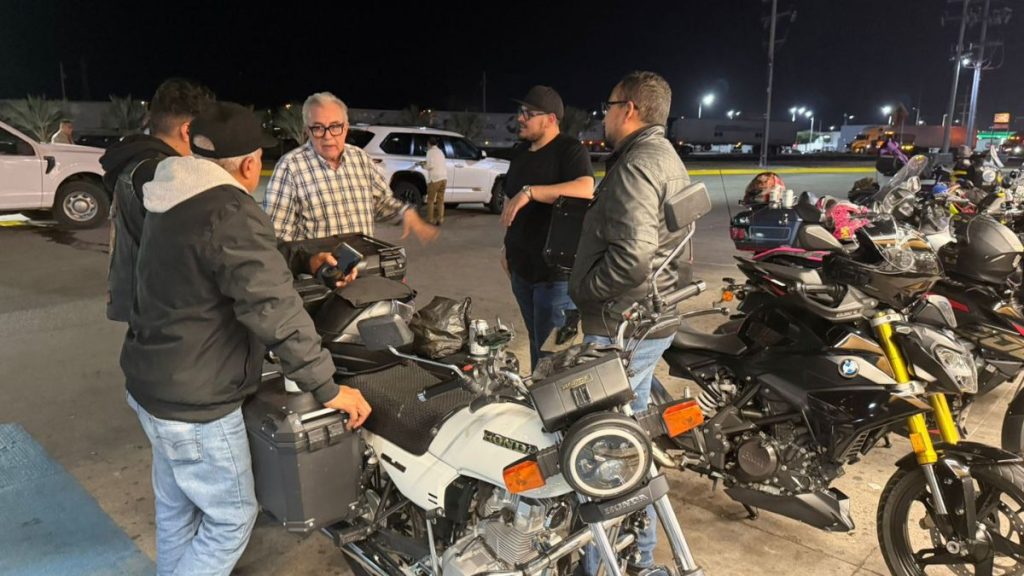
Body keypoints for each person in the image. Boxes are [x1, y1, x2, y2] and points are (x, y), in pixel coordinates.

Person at [121, 102, 372, 575]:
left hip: (150, 385)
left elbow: (225, 253)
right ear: (252, 164)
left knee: (179, 511)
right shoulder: (230, 210)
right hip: (197, 404)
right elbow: (273, 309)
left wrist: (307, 257)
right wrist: (329, 388)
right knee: (231, 519)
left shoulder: (173, 194)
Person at [569, 71, 689, 574]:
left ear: (631, 109)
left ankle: (610, 565)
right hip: (646, 320)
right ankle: (635, 558)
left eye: (609, 105)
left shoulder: (639, 165)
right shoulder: (663, 156)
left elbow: (633, 257)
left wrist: (584, 289)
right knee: (631, 442)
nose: (605, 114)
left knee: (608, 457)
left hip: (624, 325)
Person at [103, 78, 215, 322]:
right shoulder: (160, 172)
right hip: (159, 306)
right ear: (187, 130)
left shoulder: (135, 160)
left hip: (139, 297)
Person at [499, 85, 594, 370]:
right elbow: (510, 204)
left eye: (529, 113)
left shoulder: (569, 150)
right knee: (536, 342)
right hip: (521, 270)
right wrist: (505, 247)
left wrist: (531, 192)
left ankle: (558, 409)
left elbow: (585, 188)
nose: (520, 118)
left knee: (555, 354)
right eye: (520, 112)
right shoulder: (520, 153)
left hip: (556, 278)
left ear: (551, 119)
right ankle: (540, 405)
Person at [263, 91, 438, 244]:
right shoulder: (290, 167)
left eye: (335, 127)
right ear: (307, 131)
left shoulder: (360, 159)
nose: (328, 136)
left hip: (362, 268)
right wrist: (310, 261)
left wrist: (405, 213)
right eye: (318, 128)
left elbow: (380, 202)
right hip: (319, 277)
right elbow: (276, 234)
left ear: (346, 128)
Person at [423, 136, 447, 225]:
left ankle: (430, 219)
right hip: (444, 178)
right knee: (440, 200)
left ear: (429, 143)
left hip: (435, 179)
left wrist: (423, 166)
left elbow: (430, 166)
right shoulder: (441, 152)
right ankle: (440, 219)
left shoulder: (430, 152)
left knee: (430, 200)